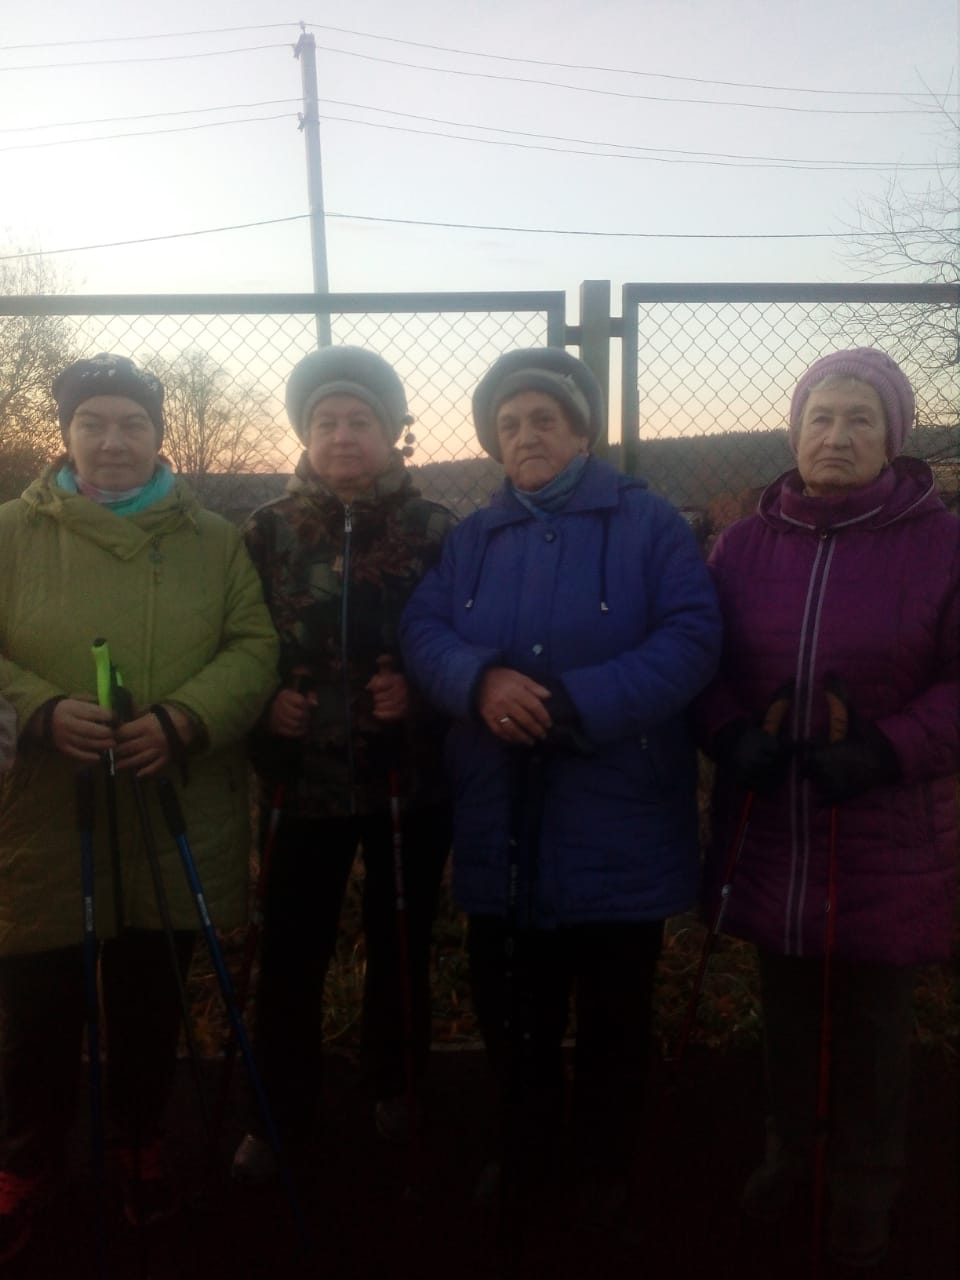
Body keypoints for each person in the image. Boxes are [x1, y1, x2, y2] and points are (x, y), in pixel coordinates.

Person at [400, 347, 721, 1229]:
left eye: (544, 419)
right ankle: (524, 1149)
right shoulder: (472, 538)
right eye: (508, 425)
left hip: (619, 816)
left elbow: (693, 636)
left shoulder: (649, 524)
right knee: (513, 1005)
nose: (525, 435)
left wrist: (580, 702)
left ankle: (605, 1161)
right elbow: (423, 630)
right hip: (501, 814)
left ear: (581, 432)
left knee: (616, 1007)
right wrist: (478, 681)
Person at [0, 353, 278, 1263]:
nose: (113, 440)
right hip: (44, 817)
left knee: (151, 1001)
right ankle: (27, 1162)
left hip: (171, 807)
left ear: (159, 436)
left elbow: (253, 646)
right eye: (94, 423)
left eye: (132, 424)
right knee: (37, 1007)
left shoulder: (213, 539)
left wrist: (185, 719)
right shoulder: (9, 533)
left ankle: (138, 1146)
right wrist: (38, 711)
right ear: (66, 434)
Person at [697, 348, 960, 1268]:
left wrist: (888, 749)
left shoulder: (943, 543)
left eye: (859, 419)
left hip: (886, 830)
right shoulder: (742, 545)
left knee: (875, 1024)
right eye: (820, 417)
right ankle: (790, 1153)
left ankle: (864, 1184)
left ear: (893, 436)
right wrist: (729, 733)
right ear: (795, 431)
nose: (836, 435)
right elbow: (703, 664)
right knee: (788, 1007)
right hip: (778, 824)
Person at [232, 346, 456, 1183]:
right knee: (291, 952)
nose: (342, 435)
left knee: (401, 943)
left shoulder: (437, 528)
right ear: (304, 433)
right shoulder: (265, 529)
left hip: (408, 776)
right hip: (303, 781)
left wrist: (421, 695)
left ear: (392, 432)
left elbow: (468, 637)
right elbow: (235, 639)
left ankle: (395, 1086)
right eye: (325, 421)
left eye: (360, 420)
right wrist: (265, 704)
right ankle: (278, 1112)